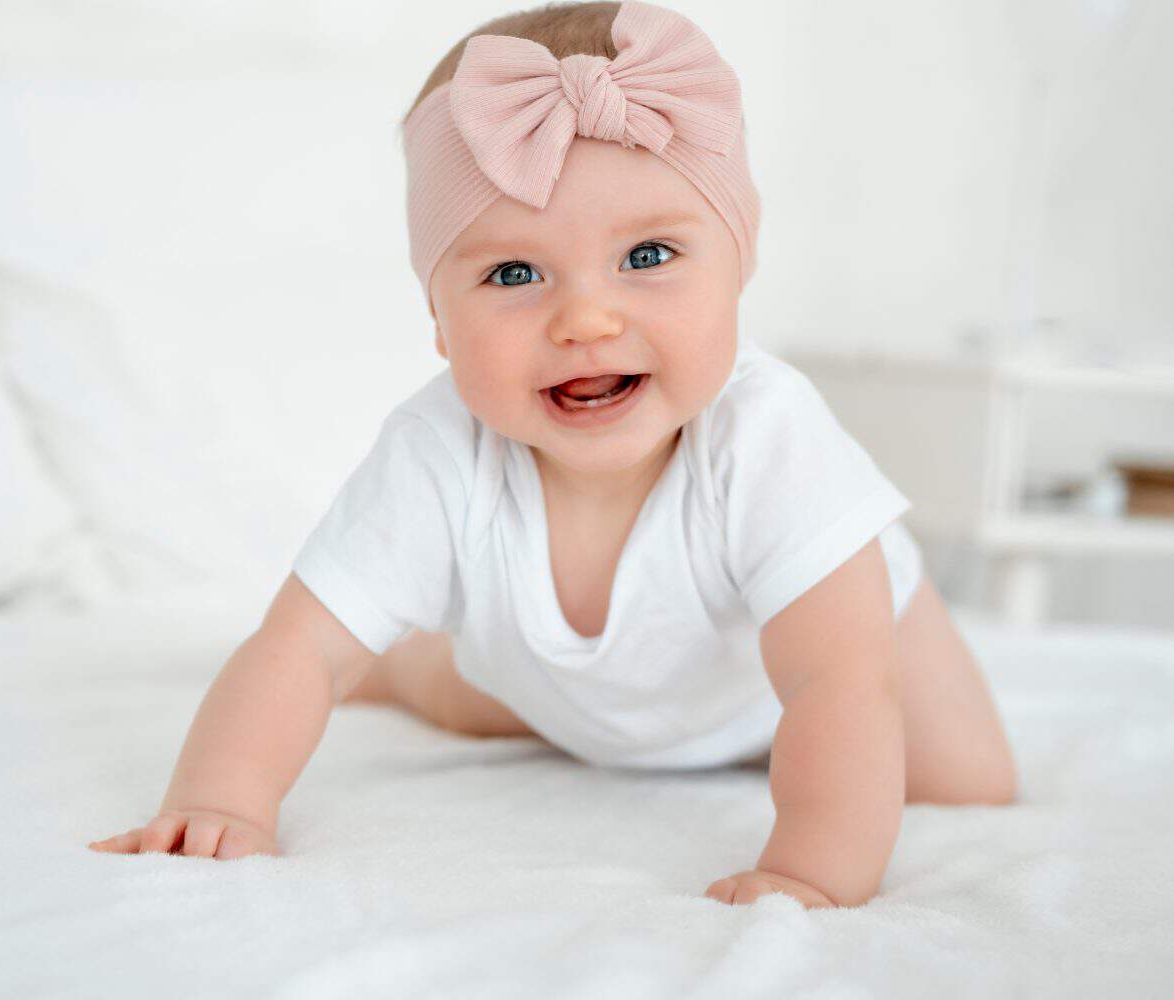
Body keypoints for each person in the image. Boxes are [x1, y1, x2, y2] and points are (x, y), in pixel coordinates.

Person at [89, 0, 1016, 909]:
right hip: (565, 688)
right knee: (454, 689)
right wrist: (220, 801)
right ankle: (411, 665)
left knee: (966, 778)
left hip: (817, 662)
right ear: (437, 319)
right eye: (514, 274)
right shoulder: (437, 450)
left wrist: (810, 872)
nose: (586, 320)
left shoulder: (769, 436)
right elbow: (297, 650)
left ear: (741, 259)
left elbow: (838, 681)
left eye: (648, 254)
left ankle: (759, 717)